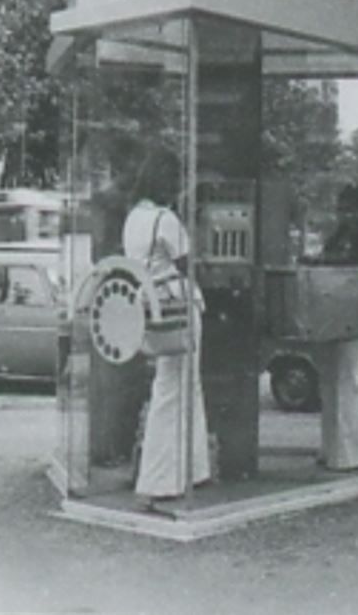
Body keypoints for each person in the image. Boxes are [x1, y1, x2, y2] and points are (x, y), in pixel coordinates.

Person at [122, 194, 210, 505]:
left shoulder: (133, 218)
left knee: (176, 385)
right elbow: (188, 263)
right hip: (177, 303)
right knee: (176, 388)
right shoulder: (166, 219)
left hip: (151, 302)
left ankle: (191, 469)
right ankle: (158, 480)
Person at [313, 182, 358, 470]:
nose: (345, 217)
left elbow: (356, 264)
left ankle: (348, 453)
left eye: (349, 211)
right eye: (341, 211)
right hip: (338, 309)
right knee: (332, 380)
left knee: (345, 380)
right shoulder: (347, 232)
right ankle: (333, 448)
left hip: (353, 312)